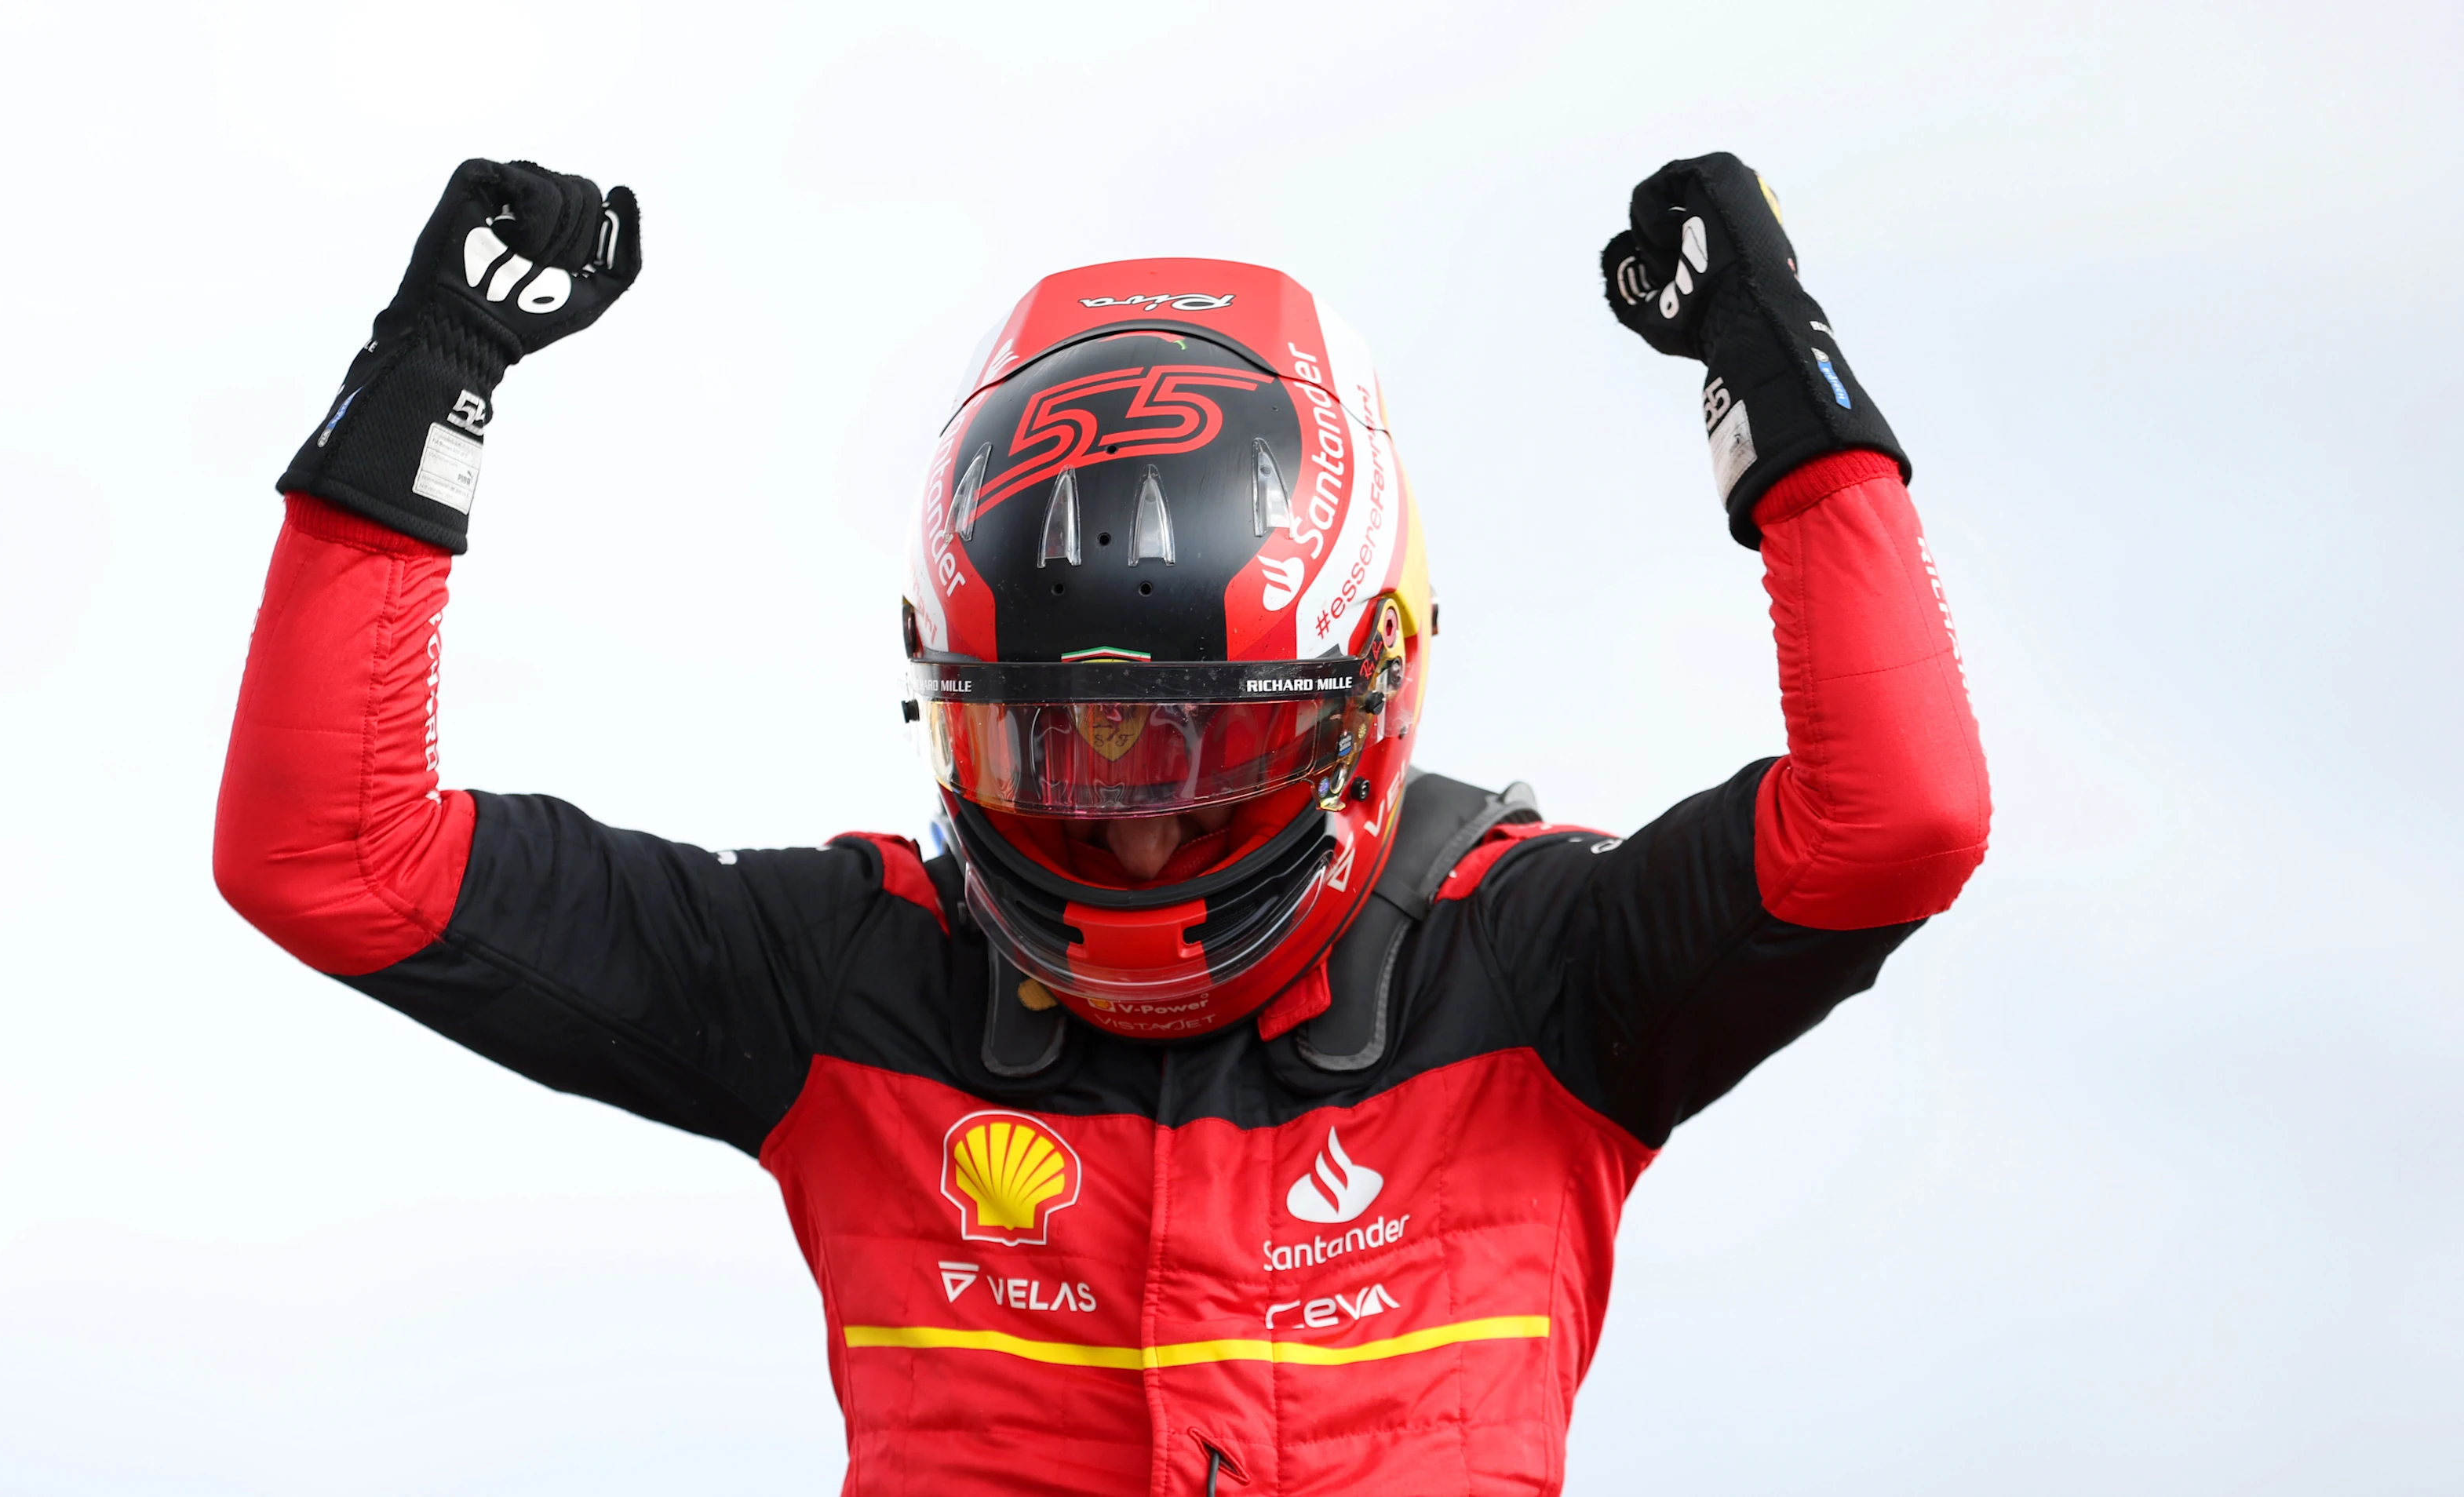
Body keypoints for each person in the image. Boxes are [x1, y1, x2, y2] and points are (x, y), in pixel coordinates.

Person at [215, 153, 1989, 1496]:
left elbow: (1895, 819)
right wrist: (423, 390)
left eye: (1192, 765)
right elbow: (330, 856)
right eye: (1060, 762)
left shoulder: (1539, 970)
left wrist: (1786, 396)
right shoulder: (851, 973)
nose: (1136, 843)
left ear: (1366, 695)